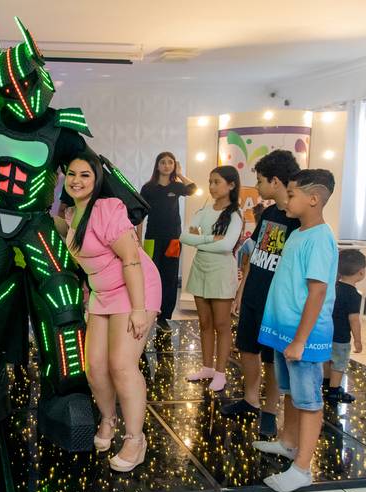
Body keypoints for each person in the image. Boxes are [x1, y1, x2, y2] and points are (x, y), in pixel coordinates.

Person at [54, 148, 161, 472]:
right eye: (72, 174)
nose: (76, 180)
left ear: (97, 179)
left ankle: (135, 440)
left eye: (85, 175)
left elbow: (131, 260)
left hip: (134, 289)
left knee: (121, 365)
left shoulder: (108, 209)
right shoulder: (72, 214)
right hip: (102, 295)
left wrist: (139, 310)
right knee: (95, 367)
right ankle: (108, 419)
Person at [254, 169, 338, 492]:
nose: (286, 200)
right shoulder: (299, 233)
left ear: (313, 199)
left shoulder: (320, 239)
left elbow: (317, 292)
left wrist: (301, 340)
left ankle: (302, 468)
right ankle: (288, 443)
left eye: (291, 195)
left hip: (303, 337)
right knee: (290, 392)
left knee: (308, 401)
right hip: (284, 332)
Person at [221, 150, 301, 437]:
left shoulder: (297, 220)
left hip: (276, 302)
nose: (257, 186)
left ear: (275, 181)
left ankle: (269, 410)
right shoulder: (268, 213)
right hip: (254, 294)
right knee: (247, 348)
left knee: (272, 358)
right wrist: (241, 292)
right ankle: (250, 399)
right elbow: (255, 256)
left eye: (260, 181)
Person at [181, 166, 243, 392]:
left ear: (231, 185)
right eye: (210, 182)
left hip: (221, 271)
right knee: (204, 323)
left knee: (222, 325)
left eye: (217, 182)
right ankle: (206, 368)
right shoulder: (204, 210)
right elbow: (184, 236)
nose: (212, 186)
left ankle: (220, 373)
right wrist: (210, 238)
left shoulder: (235, 214)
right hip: (200, 268)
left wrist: (200, 240)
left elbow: (227, 245)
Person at [139, 152, 197, 333]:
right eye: (162, 162)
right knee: (150, 277)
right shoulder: (148, 188)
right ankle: (147, 313)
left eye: (170, 162)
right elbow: (140, 214)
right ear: (157, 166)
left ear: (174, 165)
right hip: (152, 238)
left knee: (169, 278)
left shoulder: (177, 186)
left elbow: (193, 189)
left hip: (173, 239)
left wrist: (179, 174)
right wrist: (138, 240)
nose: (166, 165)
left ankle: (163, 318)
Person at [325, 249, 365, 403]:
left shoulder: (332, 287)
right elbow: (354, 320)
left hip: (325, 333)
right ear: (361, 272)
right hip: (341, 338)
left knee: (327, 360)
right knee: (338, 364)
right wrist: (358, 340)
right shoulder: (354, 295)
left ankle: (326, 384)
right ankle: (334, 392)